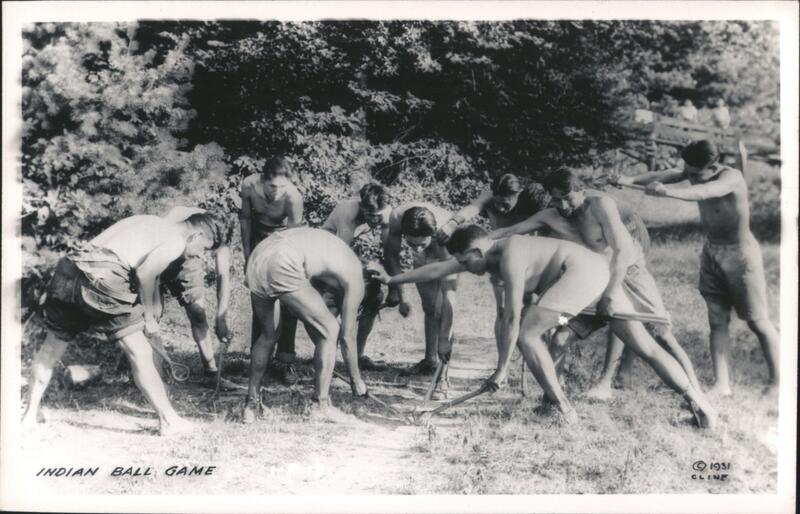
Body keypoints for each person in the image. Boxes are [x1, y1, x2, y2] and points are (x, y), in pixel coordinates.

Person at [369, 226, 718, 428]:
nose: (465, 269)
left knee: (527, 334)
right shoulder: (487, 254)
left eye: (464, 262)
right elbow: (436, 270)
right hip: (595, 274)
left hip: (582, 274)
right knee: (644, 346)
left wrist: (501, 369)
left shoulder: (511, 254)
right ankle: (700, 404)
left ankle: (563, 408)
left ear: (477, 250)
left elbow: (511, 317)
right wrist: (391, 278)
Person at [492, 168, 702, 400]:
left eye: (567, 198)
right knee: (560, 337)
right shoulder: (549, 216)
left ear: (582, 191)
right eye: (557, 200)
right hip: (592, 287)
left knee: (661, 336)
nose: (563, 205)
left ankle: (698, 396)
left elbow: (622, 251)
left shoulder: (601, 205)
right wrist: (475, 240)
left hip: (627, 277)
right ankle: (552, 404)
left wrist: (611, 293)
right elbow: (510, 231)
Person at [23, 212, 230, 435]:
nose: (199, 255)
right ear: (197, 235)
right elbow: (145, 273)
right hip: (103, 275)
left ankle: (29, 415)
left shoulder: (149, 220)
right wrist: (148, 318)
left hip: (70, 268)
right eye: (203, 248)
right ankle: (169, 421)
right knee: (140, 352)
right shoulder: (176, 240)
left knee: (51, 347)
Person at [617, 139, 779, 398]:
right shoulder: (694, 171)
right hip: (712, 252)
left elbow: (704, 192)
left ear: (712, 166)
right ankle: (722, 385)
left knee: (758, 322)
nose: (689, 176)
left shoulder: (731, 177)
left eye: (694, 173)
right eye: (687, 171)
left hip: (741, 255)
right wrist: (627, 179)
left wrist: (668, 193)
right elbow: (666, 174)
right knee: (717, 321)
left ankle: (778, 382)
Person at [242, 228, 368, 423]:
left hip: (259, 254)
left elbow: (311, 320)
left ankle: (251, 405)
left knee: (268, 335)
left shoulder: (331, 256)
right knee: (331, 330)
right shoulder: (356, 275)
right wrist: (356, 380)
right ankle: (321, 406)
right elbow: (347, 337)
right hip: (283, 258)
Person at [434, 174, 551, 366]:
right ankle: (502, 365)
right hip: (499, 261)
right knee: (503, 311)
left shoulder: (530, 200)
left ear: (518, 194)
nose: (501, 208)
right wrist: (452, 223)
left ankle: (543, 360)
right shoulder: (488, 196)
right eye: (497, 203)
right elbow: (472, 208)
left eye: (506, 204)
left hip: (529, 262)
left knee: (536, 311)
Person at [239, 156, 304, 385]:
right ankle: (259, 359)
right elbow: (245, 220)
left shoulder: (293, 197)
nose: (277, 192)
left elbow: (295, 237)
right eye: (273, 186)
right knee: (260, 300)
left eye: (282, 187)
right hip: (257, 241)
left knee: (288, 302)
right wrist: (248, 258)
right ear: (263, 180)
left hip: (283, 244)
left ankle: (285, 360)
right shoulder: (249, 185)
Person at [161, 206, 236, 388]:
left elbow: (223, 275)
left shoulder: (220, 233)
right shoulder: (178, 218)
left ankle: (211, 373)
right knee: (153, 311)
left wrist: (221, 317)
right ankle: (149, 367)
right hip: (162, 251)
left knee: (198, 313)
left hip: (189, 256)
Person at [321, 183, 392, 370]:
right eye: (370, 215)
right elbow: (342, 254)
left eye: (378, 216)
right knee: (336, 303)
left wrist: (391, 285)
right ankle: (325, 354)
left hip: (358, 253)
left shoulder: (387, 213)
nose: (375, 220)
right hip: (329, 250)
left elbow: (389, 251)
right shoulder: (348, 212)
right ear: (362, 207)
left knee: (374, 297)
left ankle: (358, 355)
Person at [383, 203, 459, 378]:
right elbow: (391, 255)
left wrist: (444, 340)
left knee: (442, 309)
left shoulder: (443, 232)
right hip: (425, 255)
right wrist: (402, 297)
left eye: (421, 243)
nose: (416, 248)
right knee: (429, 307)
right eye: (410, 243)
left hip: (445, 253)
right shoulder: (396, 217)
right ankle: (430, 360)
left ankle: (443, 371)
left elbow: (449, 296)